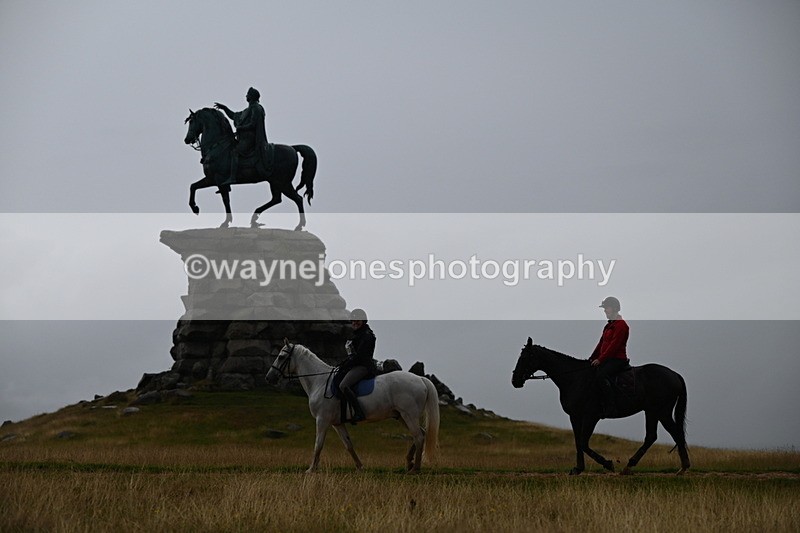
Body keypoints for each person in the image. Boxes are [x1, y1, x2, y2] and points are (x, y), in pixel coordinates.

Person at [214, 87, 270, 185]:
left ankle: (232, 177)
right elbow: (234, 116)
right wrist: (225, 108)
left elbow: (253, 124)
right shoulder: (247, 110)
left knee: (235, 152)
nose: (246, 96)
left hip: (251, 139)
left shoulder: (257, 108)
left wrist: (241, 128)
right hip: (243, 139)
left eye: (248, 95)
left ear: (252, 97)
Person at [589, 296, 630, 418]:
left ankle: (610, 406)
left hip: (617, 359)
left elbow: (614, 346)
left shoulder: (621, 325)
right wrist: (592, 358)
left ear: (614, 308)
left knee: (601, 375)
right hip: (607, 359)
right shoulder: (608, 326)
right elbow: (601, 344)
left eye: (607, 308)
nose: (605, 310)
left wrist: (600, 359)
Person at [338, 308, 377, 423]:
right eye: (353, 321)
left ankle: (359, 413)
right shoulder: (357, 335)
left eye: (357, 320)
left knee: (343, 385)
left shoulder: (367, 335)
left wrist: (346, 364)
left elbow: (360, 356)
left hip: (364, 367)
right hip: (357, 364)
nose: (354, 322)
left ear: (363, 321)